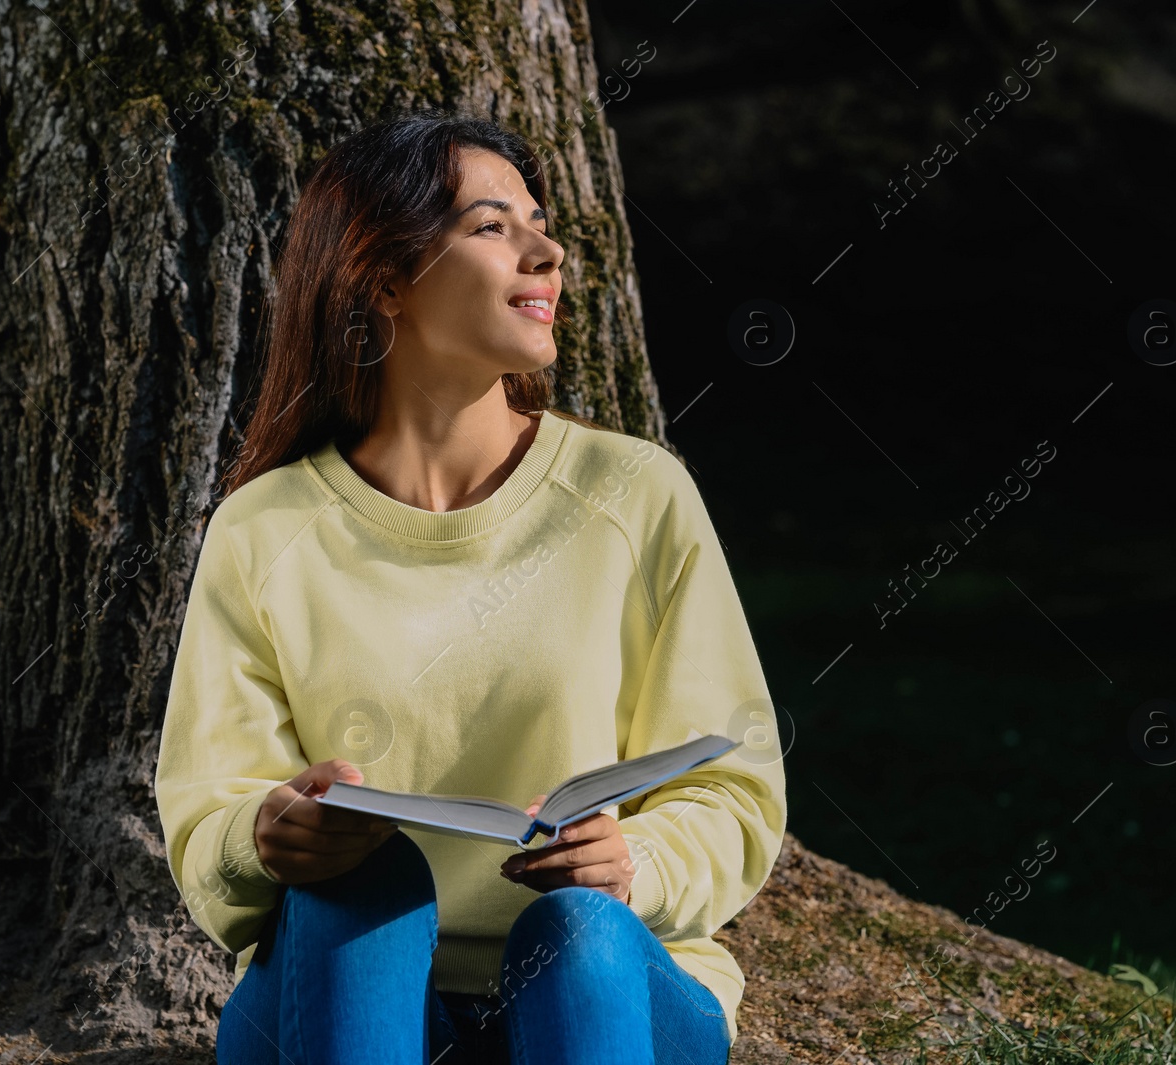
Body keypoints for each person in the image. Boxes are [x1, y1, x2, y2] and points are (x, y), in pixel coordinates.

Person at [153, 107, 787, 1065]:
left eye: (540, 221)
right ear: (382, 279)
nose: (547, 250)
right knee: (360, 891)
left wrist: (635, 865)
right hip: (353, 996)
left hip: (599, 989)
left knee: (574, 939)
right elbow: (209, 812)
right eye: (494, 227)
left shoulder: (634, 493)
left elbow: (734, 781)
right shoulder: (263, 530)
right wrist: (268, 838)